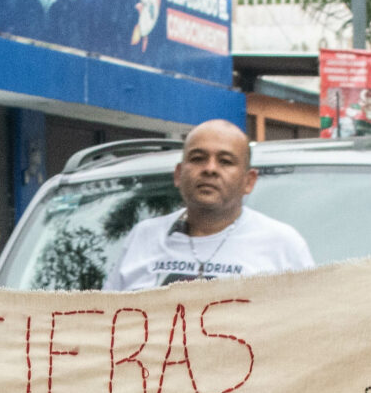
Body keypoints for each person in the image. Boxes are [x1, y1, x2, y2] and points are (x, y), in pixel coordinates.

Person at [105, 119, 314, 290]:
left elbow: (308, 332)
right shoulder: (143, 237)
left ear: (249, 181)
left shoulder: (282, 246)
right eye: (198, 158)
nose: (210, 169)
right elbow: (104, 324)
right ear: (178, 174)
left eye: (225, 161)